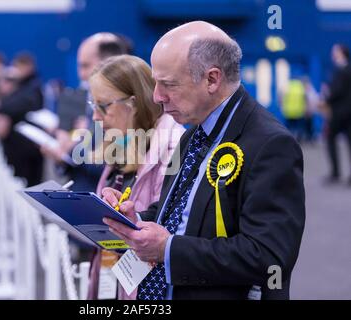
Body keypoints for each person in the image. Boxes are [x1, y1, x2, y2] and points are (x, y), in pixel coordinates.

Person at [102, 21, 305, 300]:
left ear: (212, 79)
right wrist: (135, 219)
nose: (156, 96)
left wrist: (169, 249)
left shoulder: (270, 144)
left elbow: (269, 259)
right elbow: (177, 217)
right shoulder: (194, 133)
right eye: (155, 83)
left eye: (168, 84)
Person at [85, 55, 184, 300]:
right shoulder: (121, 144)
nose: (96, 117)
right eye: (93, 106)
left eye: (103, 106)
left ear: (134, 102)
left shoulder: (173, 149)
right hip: (114, 276)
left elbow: (169, 227)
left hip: (151, 289)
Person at [41, 33, 132, 191]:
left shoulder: (124, 106)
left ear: (108, 63)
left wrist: (70, 153)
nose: (81, 74)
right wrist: (65, 155)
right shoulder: (94, 100)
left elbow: (115, 164)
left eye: (85, 66)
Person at [0, 53, 44, 186]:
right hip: (17, 145)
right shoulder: (22, 85)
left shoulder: (33, 86)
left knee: (29, 185)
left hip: (27, 147)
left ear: (28, 67)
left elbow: (16, 104)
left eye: (18, 67)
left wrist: (1, 108)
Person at [321, 44, 351, 184]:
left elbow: (336, 92)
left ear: (341, 53)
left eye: (335, 52)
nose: (333, 54)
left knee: (330, 138)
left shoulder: (340, 71)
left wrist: (327, 94)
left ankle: (335, 173)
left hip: (339, 113)